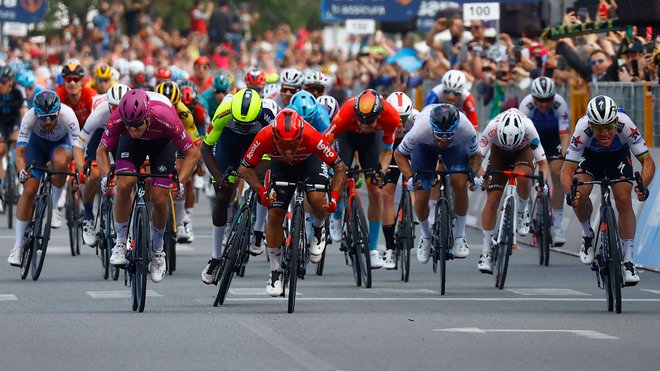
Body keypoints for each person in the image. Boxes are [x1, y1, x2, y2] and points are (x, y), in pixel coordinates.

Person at [238, 109, 346, 296]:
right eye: (282, 145)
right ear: (274, 137)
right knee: (274, 215)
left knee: (317, 200)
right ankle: (275, 271)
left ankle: (319, 228)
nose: (288, 150)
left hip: (309, 164)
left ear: (301, 136)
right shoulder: (264, 135)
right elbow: (245, 168)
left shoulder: (311, 135)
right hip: (281, 168)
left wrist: (334, 198)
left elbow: (339, 166)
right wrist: (262, 192)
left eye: (293, 144)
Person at [97, 89, 197, 283]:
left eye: (136, 125)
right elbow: (102, 150)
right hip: (132, 147)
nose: (133, 130)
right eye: (129, 126)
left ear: (148, 117)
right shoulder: (119, 118)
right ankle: (120, 242)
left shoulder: (166, 116)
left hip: (162, 144)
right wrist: (104, 177)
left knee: (159, 197)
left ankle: (158, 251)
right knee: (124, 183)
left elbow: (192, 153)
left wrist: (181, 181)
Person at [561, 95, 655, 285]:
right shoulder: (582, 129)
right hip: (591, 158)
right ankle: (587, 234)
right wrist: (570, 193)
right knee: (579, 191)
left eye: (608, 127)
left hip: (617, 156)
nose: (604, 133)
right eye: (599, 128)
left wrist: (643, 184)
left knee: (623, 198)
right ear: (591, 125)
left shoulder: (625, 124)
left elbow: (647, 161)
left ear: (615, 122)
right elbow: (567, 169)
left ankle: (628, 261)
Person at [199, 88, 274, 284]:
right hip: (228, 144)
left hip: (258, 144)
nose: (242, 127)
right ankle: (215, 257)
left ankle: (258, 232)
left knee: (261, 182)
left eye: (247, 124)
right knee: (222, 196)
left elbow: (274, 152)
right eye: (239, 124)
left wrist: (253, 176)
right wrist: (219, 176)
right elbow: (206, 149)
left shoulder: (267, 115)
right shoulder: (224, 111)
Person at [395, 104, 480, 265]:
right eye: (440, 134)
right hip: (425, 148)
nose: (443, 139)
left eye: (449, 134)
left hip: (455, 149)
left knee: (459, 182)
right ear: (432, 128)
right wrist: (410, 177)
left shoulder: (466, 128)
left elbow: (476, 155)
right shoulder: (420, 129)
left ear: (456, 128)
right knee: (421, 194)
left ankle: (460, 236)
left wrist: (472, 174)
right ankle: (426, 236)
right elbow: (399, 154)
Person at [324, 89, 401, 268]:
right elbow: (326, 142)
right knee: (340, 173)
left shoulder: (391, 116)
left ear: (379, 115)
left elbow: (387, 151)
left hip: (371, 143)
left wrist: (380, 171)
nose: (365, 124)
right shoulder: (346, 112)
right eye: (361, 120)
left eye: (370, 121)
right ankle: (337, 216)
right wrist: (326, 168)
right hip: (347, 138)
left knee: (375, 191)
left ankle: (372, 249)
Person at [8, 91, 80, 266]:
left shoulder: (68, 115)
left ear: (58, 112)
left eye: (52, 117)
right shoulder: (29, 118)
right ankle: (18, 246)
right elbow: (19, 153)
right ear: (36, 114)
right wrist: (21, 171)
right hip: (36, 145)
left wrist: (80, 173)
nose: (48, 121)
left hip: (60, 144)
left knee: (61, 162)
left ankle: (54, 207)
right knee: (30, 189)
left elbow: (78, 148)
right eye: (43, 118)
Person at [477, 108, 549, 274]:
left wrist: (542, 184)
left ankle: (523, 211)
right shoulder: (492, 128)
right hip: (498, 154)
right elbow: (475, 161)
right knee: (492, 199)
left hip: (522, 152)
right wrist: (481, 177)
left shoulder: (529, 128)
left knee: (523, 177)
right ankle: (486, 252)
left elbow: (543, 163)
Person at [73, 84, 131, 246]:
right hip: (101, 133)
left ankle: (127, 229)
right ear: (108, 106)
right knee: (94, 174)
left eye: (122, 107)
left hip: (123, 134)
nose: (118, 112)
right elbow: (79, 145)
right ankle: (88, 216)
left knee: (128, 179)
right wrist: (81, 171)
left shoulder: (135, 110)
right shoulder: (99, 114)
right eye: (114, 108)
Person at [518, 76, 571, 246]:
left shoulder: (559, 104)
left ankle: (557, 225)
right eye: (539, 100)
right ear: (533, 97)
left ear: (553, 97)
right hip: (531, 140)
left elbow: (564, 135)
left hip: (553, 139)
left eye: (547, 99)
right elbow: (522, 138)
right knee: (526, 174)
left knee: (557, 172)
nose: (543, 104)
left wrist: (565, 156)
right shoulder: (526, 106)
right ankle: (525, 210)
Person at [155, 81, 203, 243]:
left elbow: (195, 142)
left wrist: (198, 163)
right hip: (157, 138)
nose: (169, 108)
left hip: (177, 138)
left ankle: (182, 220)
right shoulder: (149, 109)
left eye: (173, 105)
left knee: (183, 177)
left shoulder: (184, 113)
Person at [379, 91, 419, 268]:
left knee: (415, 181)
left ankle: (410, 211)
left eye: (404, 117)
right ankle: (389, 248)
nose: (401, 122)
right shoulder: (381, 120)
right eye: (397, 117)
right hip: (391, 152)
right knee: (386, 194)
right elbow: (381, 151)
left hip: (412, 151)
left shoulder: (417, 120)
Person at [0, 65, 27, 206]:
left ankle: (19, 177)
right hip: (2, 123)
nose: (0, 84)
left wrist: (23, 131)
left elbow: (24, 112)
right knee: (1, 150)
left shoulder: (18, 90)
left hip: (15, 121)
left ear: (10, 81)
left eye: (3, 81)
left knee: (19, 146)